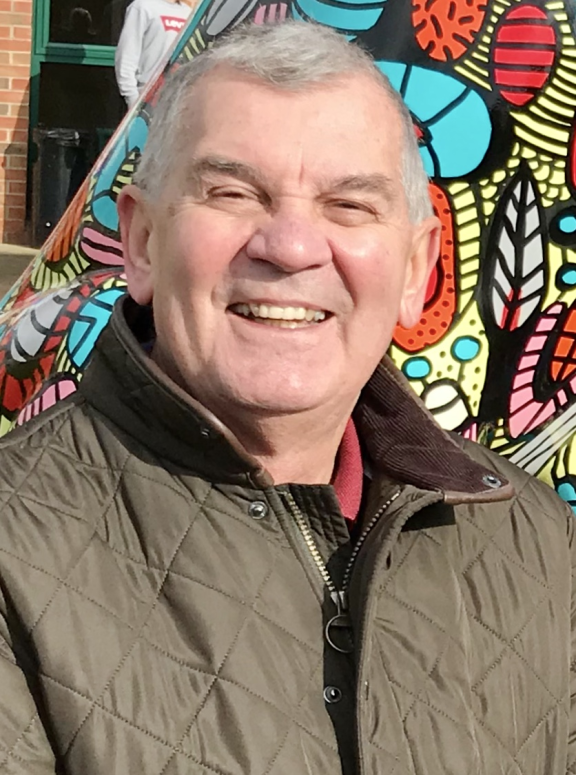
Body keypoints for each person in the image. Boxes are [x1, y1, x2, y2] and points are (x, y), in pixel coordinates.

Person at [0, 20, 573, 775]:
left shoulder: (533, 541)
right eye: (234, 192)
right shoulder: (15, 560)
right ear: (140, 245)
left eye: (349, 205)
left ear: (415, 269)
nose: (292, 245)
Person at [115, 0, 192, 108]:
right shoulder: (142, 6)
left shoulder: (188, 12)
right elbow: (127, 55)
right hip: (147, 97)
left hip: (176, 98)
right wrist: (132, 99)